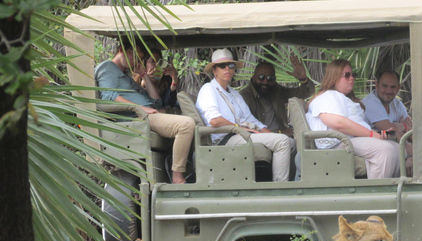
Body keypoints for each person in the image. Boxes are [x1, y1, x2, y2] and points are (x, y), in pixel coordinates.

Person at [95, 39, 194, 184]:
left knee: (192, 123)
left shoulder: (125, 76)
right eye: (133, 55)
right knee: (186, 125)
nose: (135, 61)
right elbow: (109, 96)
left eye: (139, 59)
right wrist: (140, 109)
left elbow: (156, 101)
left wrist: (143, 74)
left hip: (147, 113)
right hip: (138, 118)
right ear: (121, 50)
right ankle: (177, 178)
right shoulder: (108, 67)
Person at [195, 49, 292, 182]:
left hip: (240, 135)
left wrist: (269, 134)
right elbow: (214, 120)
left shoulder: (234, 94)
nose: (227, 68)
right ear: (214, 70)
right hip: (224, 140)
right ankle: (281, 188)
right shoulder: (208, 89)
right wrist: (237, 128)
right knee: (283, 141)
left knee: (290, 142)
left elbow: (250, 119)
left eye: (231, 65)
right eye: (223, 66)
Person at [305, 59, 399, 179]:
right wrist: (371, 134)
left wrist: (376, 134)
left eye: (353, 75)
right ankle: (376, 194)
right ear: (334, 77)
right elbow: (338, 123)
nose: (352, 78)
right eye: (347, 75)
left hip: (350, 140)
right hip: (338, 143)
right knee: (385, 150)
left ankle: (393, 191)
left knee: (396, 148)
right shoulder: (327, 96)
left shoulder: (343, 98)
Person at [239, 56, 314, 138]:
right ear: (253, 78)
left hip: (283, 136)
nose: (265, 81)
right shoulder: (244, 96)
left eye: (270, 78)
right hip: (258, 139)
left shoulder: (277, 90)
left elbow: (306, 93)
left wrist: (303, 79)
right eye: (261, 77)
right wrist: (279, 132)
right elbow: (246, 127)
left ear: (274, 79)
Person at [362, 69, 412, 139]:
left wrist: (400, 126)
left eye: (393, 87)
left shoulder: (397, 103)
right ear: (377, 86)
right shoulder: (371, 102)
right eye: (385, 86)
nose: (388, 91)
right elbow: (390, 129)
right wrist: (404, 126)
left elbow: (412, 132)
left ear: (398, 88)